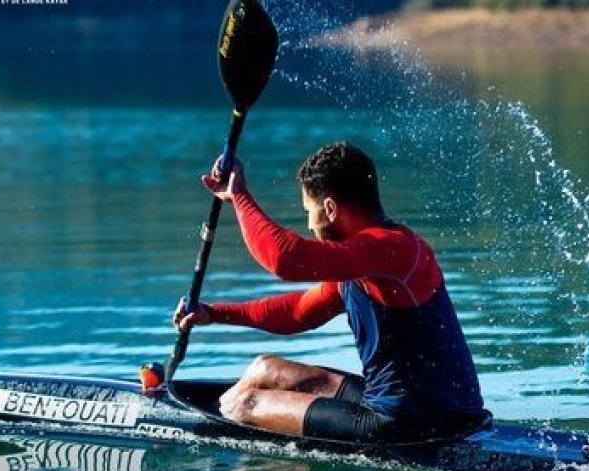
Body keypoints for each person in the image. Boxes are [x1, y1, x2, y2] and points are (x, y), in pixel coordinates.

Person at [173, 142, 490, 442]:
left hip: (416, 423)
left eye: (308, 211)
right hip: (405, 405)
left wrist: (239, 197)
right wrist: (214, 313)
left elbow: (286, 260)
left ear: (330, 208)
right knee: (263, 367)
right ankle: (204, 415)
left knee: (247, 403)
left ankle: (204, 429)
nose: (309, 225)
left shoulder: (395, 249)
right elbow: (297, 313)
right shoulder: (360, 262)